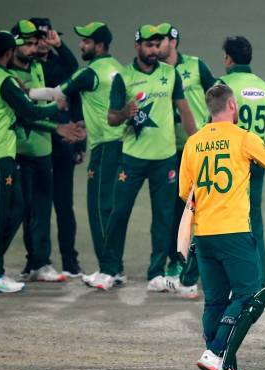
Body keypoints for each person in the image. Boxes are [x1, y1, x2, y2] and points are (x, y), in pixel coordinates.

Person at [181, 84, 265, 370]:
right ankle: (215, 354)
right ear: (232, 106)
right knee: (249, 294)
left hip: (204, 234)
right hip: (234, 232)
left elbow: (185, 193)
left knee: (214, 301)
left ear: (208, 109)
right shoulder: (243, 138)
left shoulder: (193, 142)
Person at [0, 30, 81, 292]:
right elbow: (28, 110)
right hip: (1, 154)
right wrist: (55, 108)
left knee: (15, 207)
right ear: (8, 53)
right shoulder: (5, 81)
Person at [102, 24, 197, 292]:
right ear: (138, 46)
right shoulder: (124, 76)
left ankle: (156, 273)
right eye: (149, 45)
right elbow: (111, 118)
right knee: (119, 213)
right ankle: (110, 269)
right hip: (132, 158)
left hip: (164, 159)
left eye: (157, 45)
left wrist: (198, 142)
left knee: (163, 217)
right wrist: (124, 113)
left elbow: (185, 110)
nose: (154, 50)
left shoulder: (170, 74)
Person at [57, 22, 126, 286]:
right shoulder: (119, 69)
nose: (81, 45)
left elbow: (58, 93)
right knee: (113, 209)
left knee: (98, 208)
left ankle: (107, 270)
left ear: (99, 45)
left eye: (86, 41)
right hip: (124, 146)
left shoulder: (91, 73)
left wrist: (23, 92)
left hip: (105, 148)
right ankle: (115, 268)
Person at [156, 22, 216, 297]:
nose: (156, 45)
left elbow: (217, 93)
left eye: (162, 40)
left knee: (198, 206)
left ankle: (195, 266)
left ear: (174, 42)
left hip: (198, 146)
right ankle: (174, 263)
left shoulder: (195, 66)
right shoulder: (157, 71)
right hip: (170, 148)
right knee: (174, 207)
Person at [9, 19, 72, 283]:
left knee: (42, 208)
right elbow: (24, 114)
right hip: (21, 150)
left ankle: (40, 263)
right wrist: (56, 126)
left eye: (37, 42)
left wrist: (59, 45)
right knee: (23, 210)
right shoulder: (8, 75)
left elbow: (68, 70)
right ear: (15, 44)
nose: (35, 48)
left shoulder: (36, 66)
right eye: (30, 43)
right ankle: (31, 260)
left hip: (42, 151)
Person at [30, 17, 85, 278]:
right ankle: (36, 261)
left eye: (46, 37)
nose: (42, 43)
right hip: (34, 143)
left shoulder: (59, 63)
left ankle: (70, 261)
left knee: (64, 205)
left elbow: (75, 76)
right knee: (35, 206)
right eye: (38, 38)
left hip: (62, 143)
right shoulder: (26, 65)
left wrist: (80, 143)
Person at [218, 36, 265, 286]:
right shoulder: (263, 86)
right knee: (255, 218)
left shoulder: (223, 85)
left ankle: (230, 276)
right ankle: (259, 279)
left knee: (226, 219)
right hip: (258, 158)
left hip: (232, 160)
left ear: (228, 58)